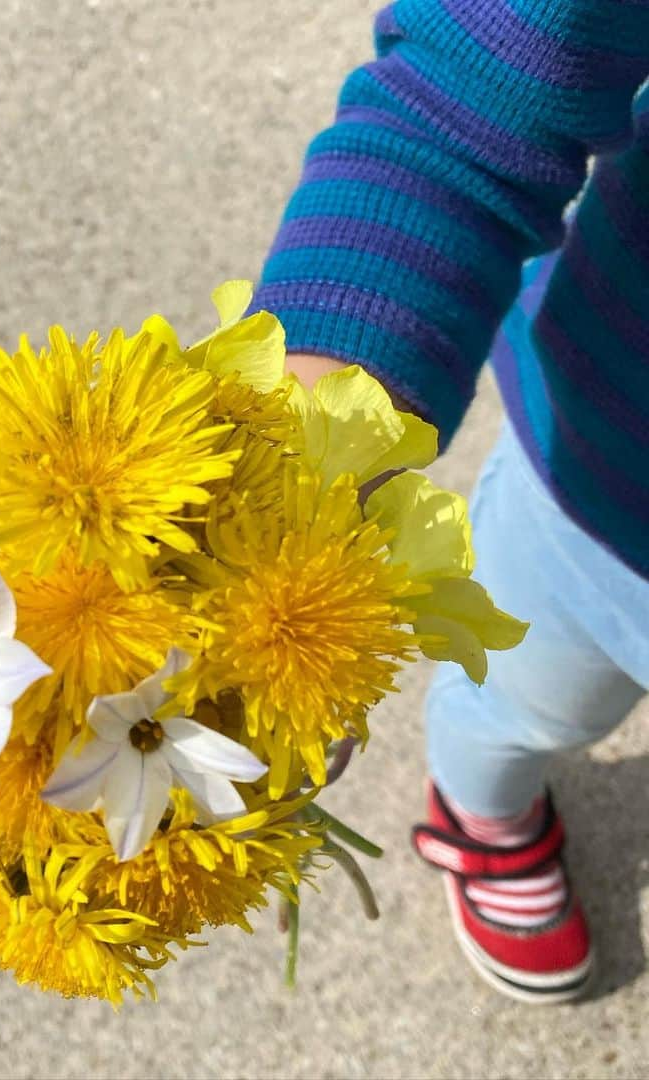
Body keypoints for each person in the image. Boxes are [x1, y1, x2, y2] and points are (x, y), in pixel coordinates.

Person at [248, 0, 649, 1003]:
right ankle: (482, 814)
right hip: (603, 499)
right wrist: (295, 487)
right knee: (518, 701)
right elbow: (463, 118)